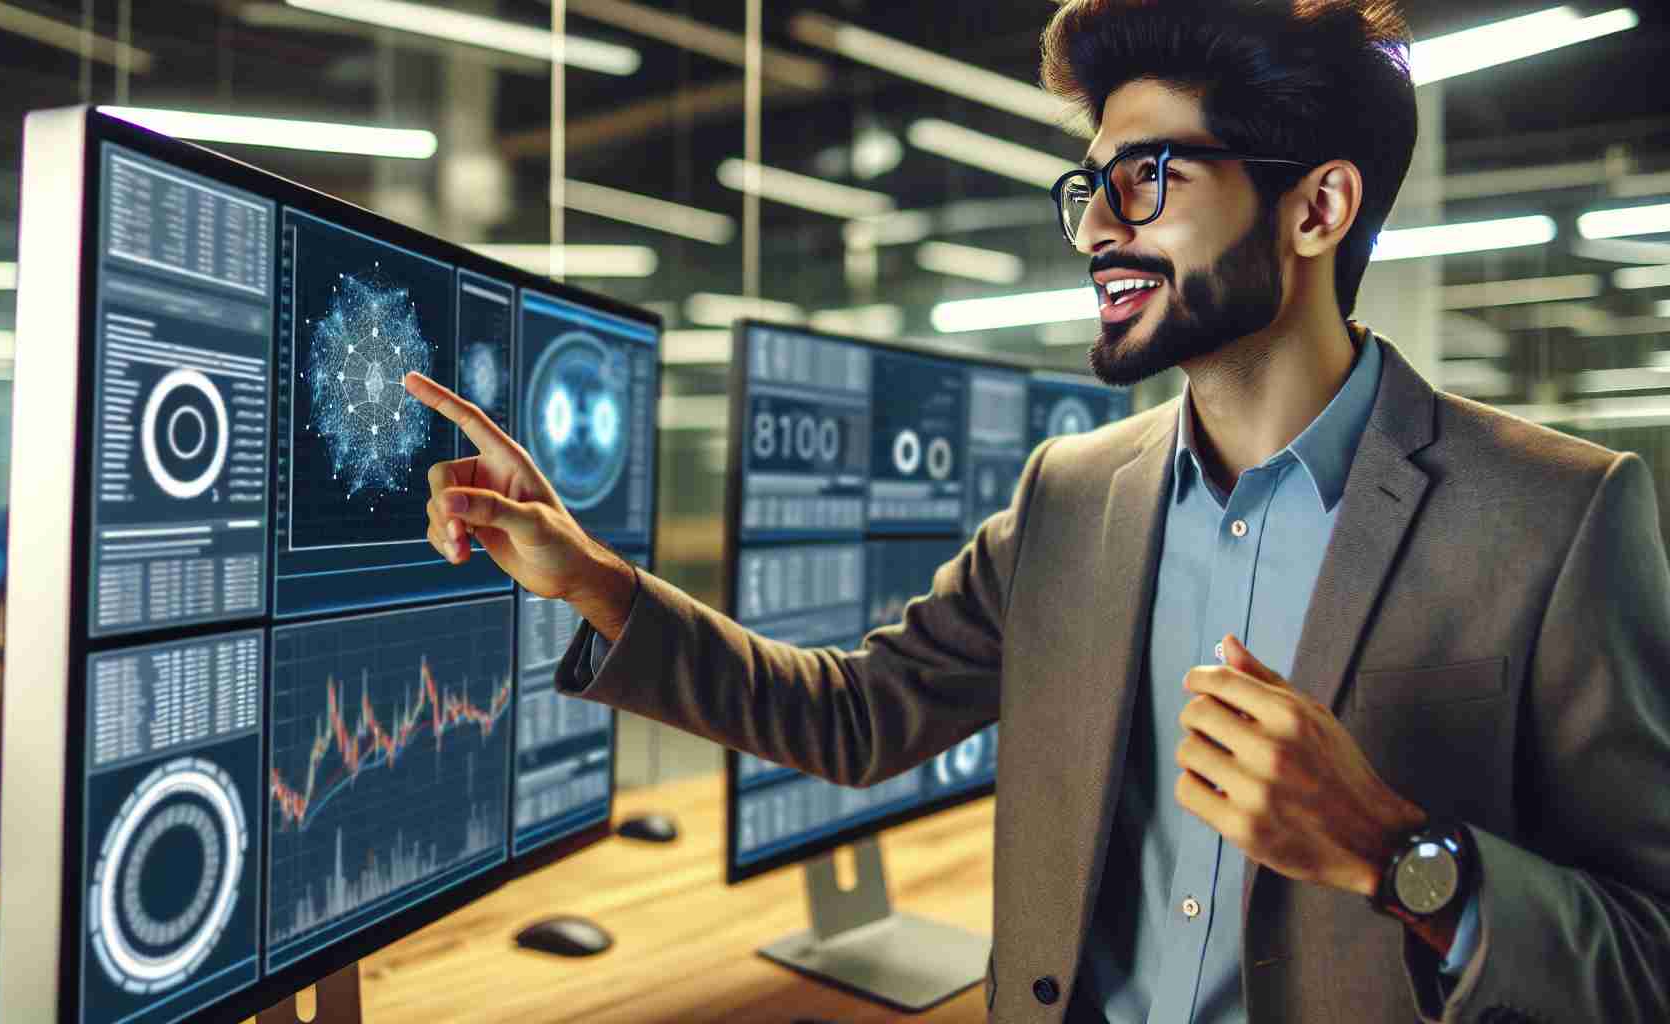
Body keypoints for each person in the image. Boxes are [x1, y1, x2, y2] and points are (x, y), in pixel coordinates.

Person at [403, 0, 1670, 1019]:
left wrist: (1403, 856)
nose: (1097, 232)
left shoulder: (1556, 519)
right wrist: (592, 580)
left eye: (1151, 178)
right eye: (1093, 185)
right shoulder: (1073, 497)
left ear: (1316, 208)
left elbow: (1649, 959)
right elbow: (853, 715)